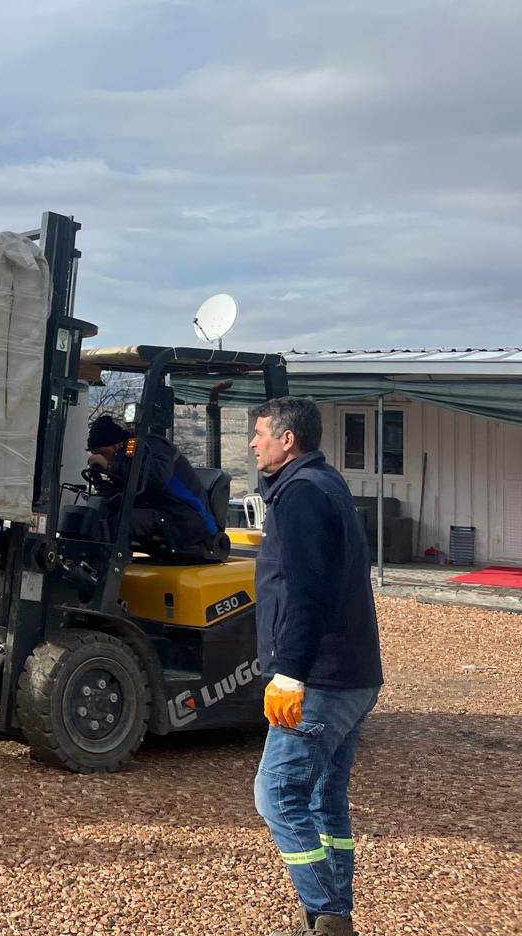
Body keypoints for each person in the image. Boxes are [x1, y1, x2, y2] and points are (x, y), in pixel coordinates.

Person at [249, 396, 383, 936]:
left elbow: (307, 594)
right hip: (354, 674)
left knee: (276, 795)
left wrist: (290, 673)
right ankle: (332, 911)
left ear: (288, 439)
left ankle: (329, 914)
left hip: (323, 678)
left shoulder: (301, 495)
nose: (253, 443)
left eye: (260, 433)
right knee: (326, 798)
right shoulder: (325, 484)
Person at [86, 414, 223, 559]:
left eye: (103, 453)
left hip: (183, 515)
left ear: (117, 445)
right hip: (161, 512)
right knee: (93, 517)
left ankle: (107, 572)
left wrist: (110, 466)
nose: (101, 458)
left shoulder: (150, 446)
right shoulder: (127, 456)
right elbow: (134, 492)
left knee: (122, 522)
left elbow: (158, 478)